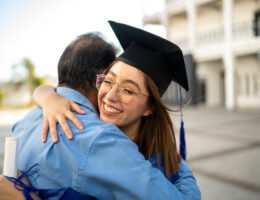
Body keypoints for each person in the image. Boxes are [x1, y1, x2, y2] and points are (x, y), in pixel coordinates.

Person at [0, 21, 200, 200]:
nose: (111, 96)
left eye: (128, 90)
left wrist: (178, 163)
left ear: (150, 107)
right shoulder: (100, 139)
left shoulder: (29, 118)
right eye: (108, 81)